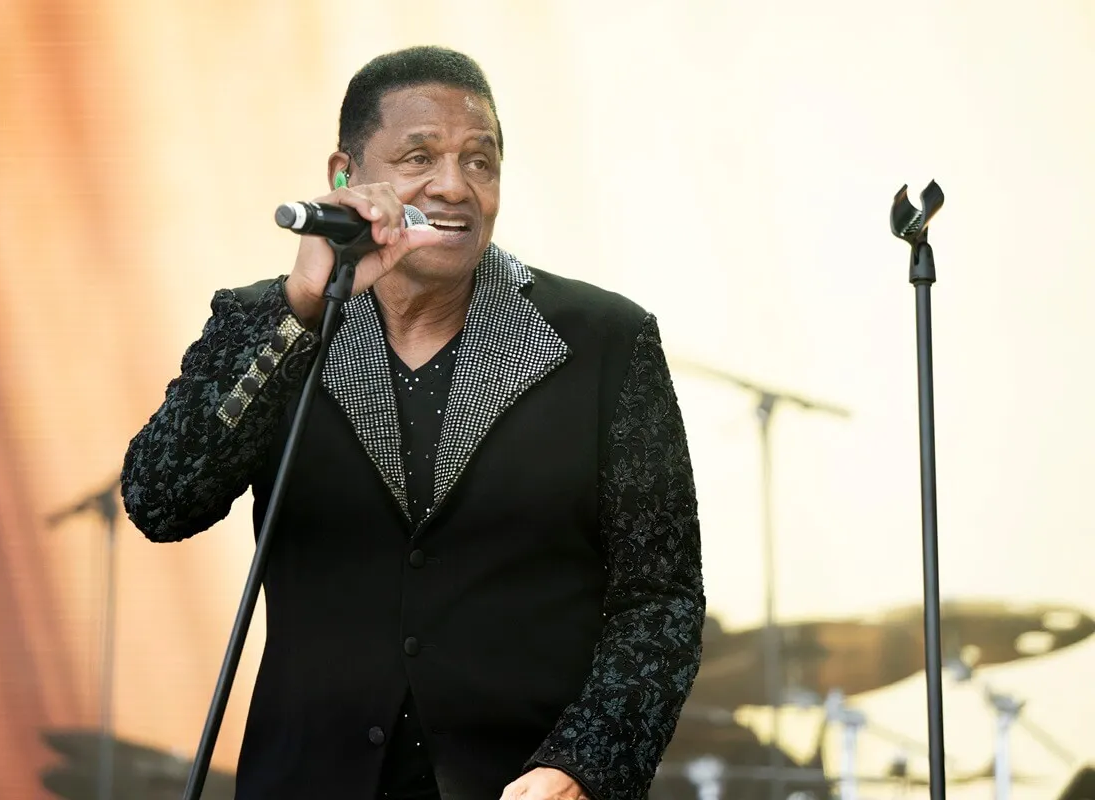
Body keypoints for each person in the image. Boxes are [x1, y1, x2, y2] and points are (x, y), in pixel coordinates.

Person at [121, 45, 705, 800]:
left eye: (479, 161)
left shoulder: (606, 341)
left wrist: (582, 768)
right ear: (345, 176)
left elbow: (660, 599)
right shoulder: (269, 322)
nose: (454, 186)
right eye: (419, 157)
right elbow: (161, 501)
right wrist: (301, 310)